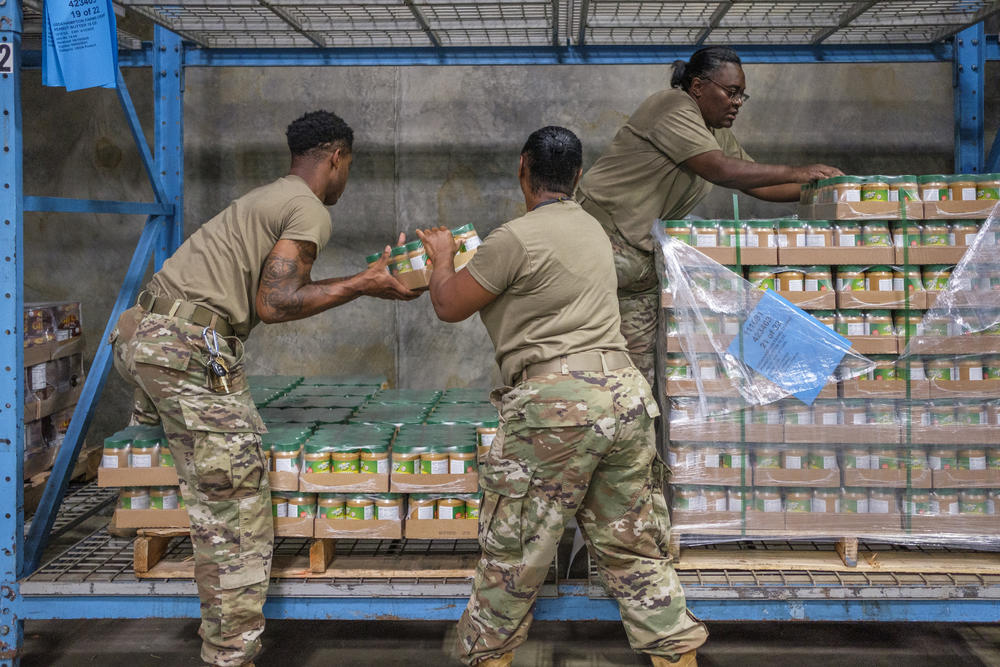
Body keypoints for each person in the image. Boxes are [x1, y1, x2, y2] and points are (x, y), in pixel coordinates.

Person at [110, 110, 417, 667]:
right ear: (336, 158)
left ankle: (145, 521)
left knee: (184, 462)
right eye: (348, 165)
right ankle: (231, 654)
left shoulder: (271, 195)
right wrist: (364, 283)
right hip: (184, 348)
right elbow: (274, 303)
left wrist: (360, 283)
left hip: (140, 334)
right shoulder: (307, 208)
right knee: (236, 506)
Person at [417, 126, 708, 667]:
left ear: (522, 168)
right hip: (624, 397)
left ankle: (489, 657)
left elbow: (449, 304)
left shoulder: (514, 238)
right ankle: (677, 657)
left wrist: (441, 255)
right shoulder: (595, 231)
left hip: (558, 405)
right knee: (635, 546)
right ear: (578, 175)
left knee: (515, 550)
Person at [575, 46, 843, 386]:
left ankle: (631, 434)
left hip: (639, 260)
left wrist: (830, 193)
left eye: (742, 95)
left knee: (635, 375)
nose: (737, 103)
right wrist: (800, 171)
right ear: (698, 86)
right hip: (600, 243)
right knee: (588, 357)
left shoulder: (714, 132)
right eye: (730, 92)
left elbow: (758, 185)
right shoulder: (672, 106)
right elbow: (721, 170)